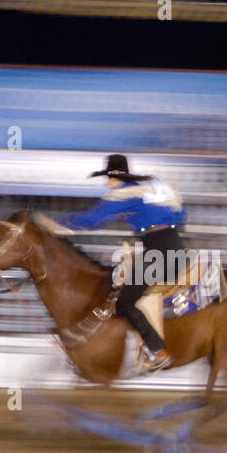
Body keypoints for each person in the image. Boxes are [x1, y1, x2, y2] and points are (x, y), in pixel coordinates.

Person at [58, 154, 187, 372]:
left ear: (117, 179)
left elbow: (91, 220)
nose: (108, 183)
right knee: (119, 282)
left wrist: (56, 224)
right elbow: (181, 215)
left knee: (126, 301)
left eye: (109, 179)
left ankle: (158, 351)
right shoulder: (155, 188)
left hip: (159, 251)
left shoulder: (125, 194)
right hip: (171, 247)